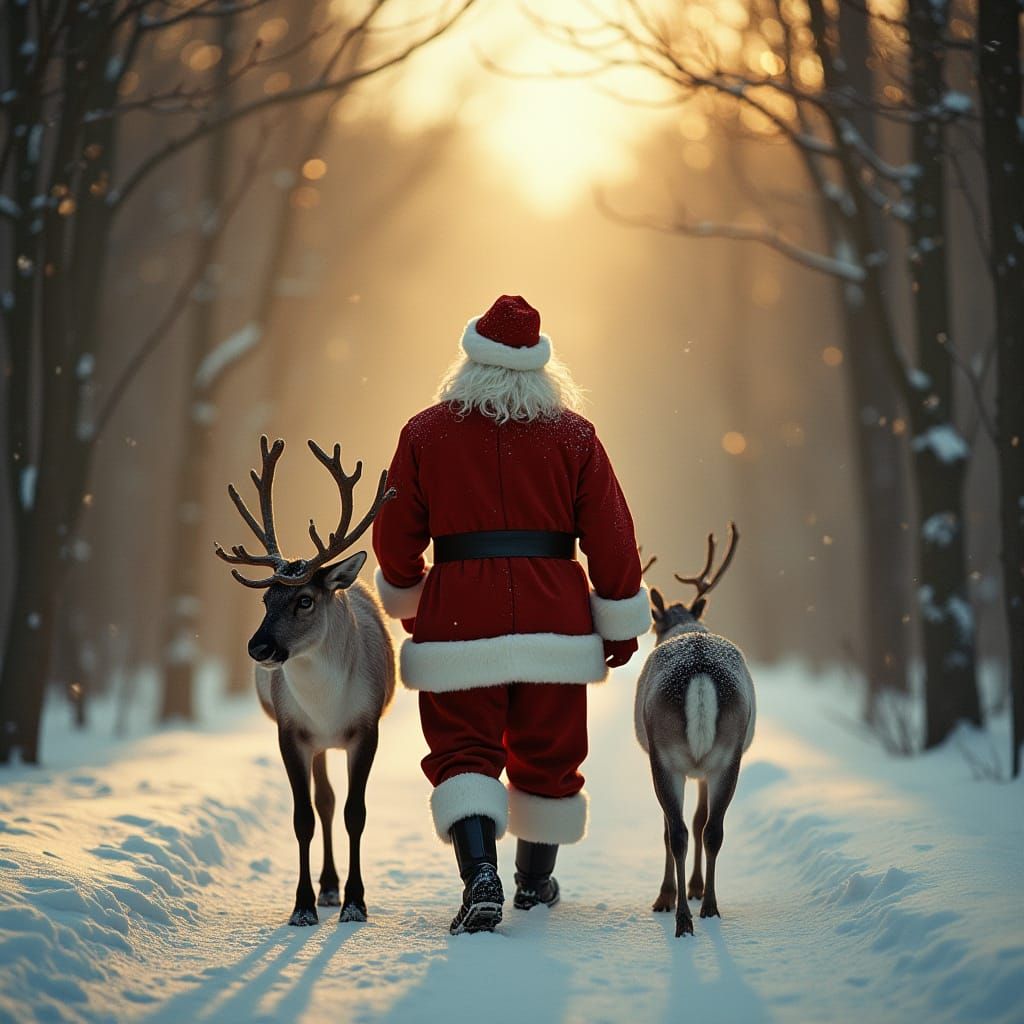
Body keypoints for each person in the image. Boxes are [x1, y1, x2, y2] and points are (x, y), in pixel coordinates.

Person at [372, 294, 648, 934]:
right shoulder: (575, 435)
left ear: (470, 364)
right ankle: (532, 881)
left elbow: (394, 533)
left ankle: (480, 876)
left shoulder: (426, 432)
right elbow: (610, 532)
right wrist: (617, 616)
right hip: (554, 610)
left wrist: (415, 595)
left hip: (460, 613)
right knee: (548, 749)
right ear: (540, 371)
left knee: (462, 749)